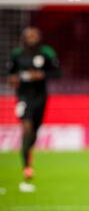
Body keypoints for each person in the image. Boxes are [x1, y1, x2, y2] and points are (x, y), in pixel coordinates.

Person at [6, 27, 60, 192]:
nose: (31, 38)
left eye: (34, 35)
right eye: (28, 35)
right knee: (27, 128)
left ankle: (28, 152)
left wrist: (42, 75)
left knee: (34, 131)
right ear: (23, 37)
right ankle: (27, 166)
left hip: (40, 98)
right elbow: (10, 75)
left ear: (39, 37)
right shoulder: (17, 54)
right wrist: (13, 79)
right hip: (23, 97)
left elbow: (57, 72)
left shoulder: (46, 53)